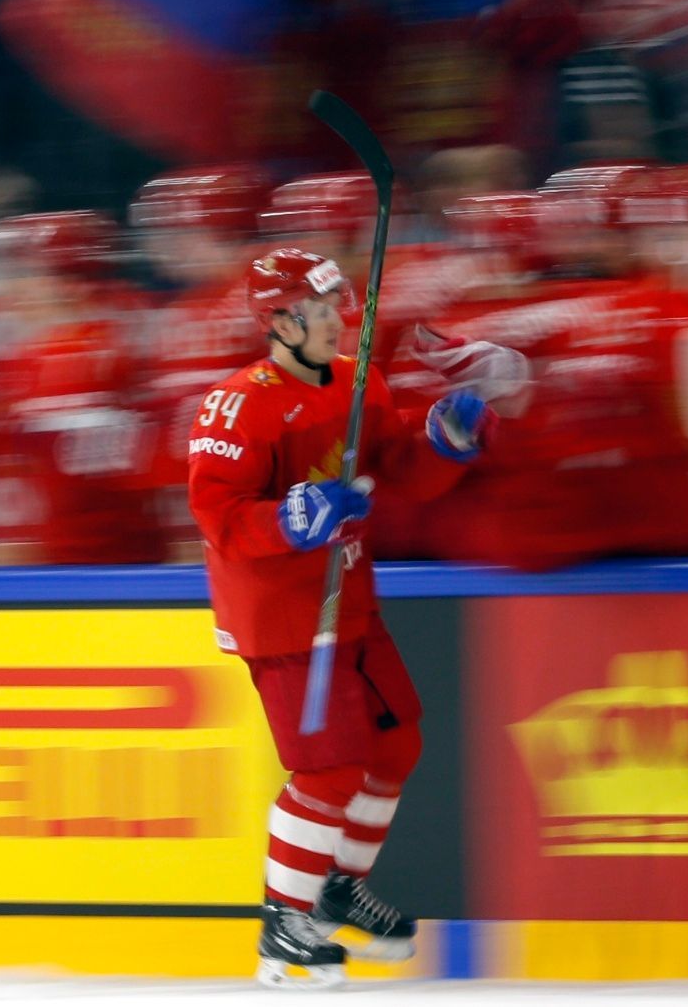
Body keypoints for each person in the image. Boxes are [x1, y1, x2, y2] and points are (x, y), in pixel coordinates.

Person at [186, 248, 498, 988]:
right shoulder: (238, 404)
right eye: (319, 311)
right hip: (283, 615)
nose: (336, 322)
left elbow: (401, 469)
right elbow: (219, 515)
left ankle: (335, 889)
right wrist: (294, 516)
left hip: (350, 600)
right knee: (328, 770)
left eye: (336, 308)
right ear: (279, 321)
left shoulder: (362, 382)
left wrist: (444, 443)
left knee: (395, 746)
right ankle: (283, 923)